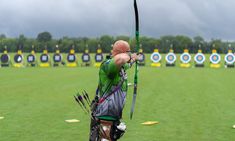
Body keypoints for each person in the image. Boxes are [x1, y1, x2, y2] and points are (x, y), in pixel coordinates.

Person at [89, 40, 140, 141]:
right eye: (128, 52)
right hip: (105, 117)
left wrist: (133, 59)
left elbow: (127, 64)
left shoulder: (120, 67)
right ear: (123, 53)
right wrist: (129, 56)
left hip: (112, 117)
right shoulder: (108, 65)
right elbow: (120, 59)